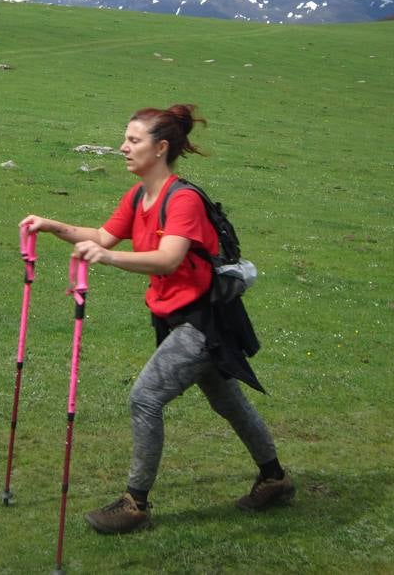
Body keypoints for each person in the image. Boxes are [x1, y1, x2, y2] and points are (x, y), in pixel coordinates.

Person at [19, 104, 293, 535]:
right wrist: (52, 225)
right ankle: (275, 478)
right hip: (176, 320)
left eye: (133, 140)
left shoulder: (181, 200)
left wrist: (107, 258)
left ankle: (135, 503)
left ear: (161, 148)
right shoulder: (139, 196)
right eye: (125, 139)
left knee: (145, 398)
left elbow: (168, 260)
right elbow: (104, 235)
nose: (123, 147)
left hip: (202, 323)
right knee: (228, 402)